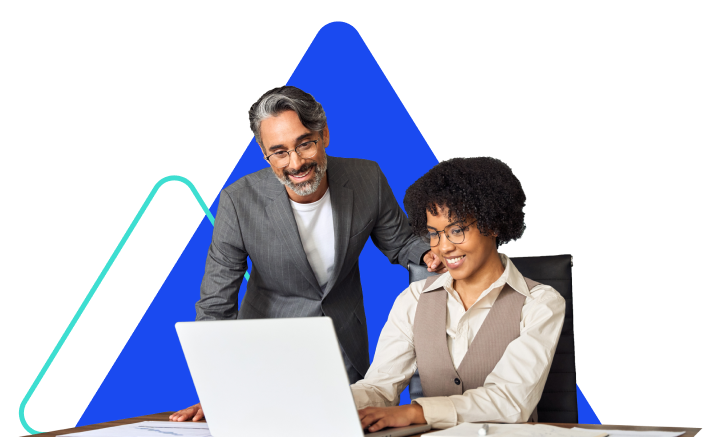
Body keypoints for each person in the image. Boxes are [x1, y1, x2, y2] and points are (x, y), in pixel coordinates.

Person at [170, 86, 446, 422]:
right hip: (267, 356)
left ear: (324, 134)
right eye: (279, 152)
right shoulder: (238, 202)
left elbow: (402, 243)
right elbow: (216, 304)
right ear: (264, 152)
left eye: (305, 143)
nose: (296, 163)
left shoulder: (366, 178)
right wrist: (218, 388)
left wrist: (430, 256)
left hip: (344, 347)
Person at [351, 157, 566, 432]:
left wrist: (416, 411)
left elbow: (511, 400)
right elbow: (379, 387)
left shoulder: (540, 304)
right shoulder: (414, 299)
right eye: (433, 234)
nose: (443, 247)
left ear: (493, 223)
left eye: (456, 230)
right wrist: (338, 400)